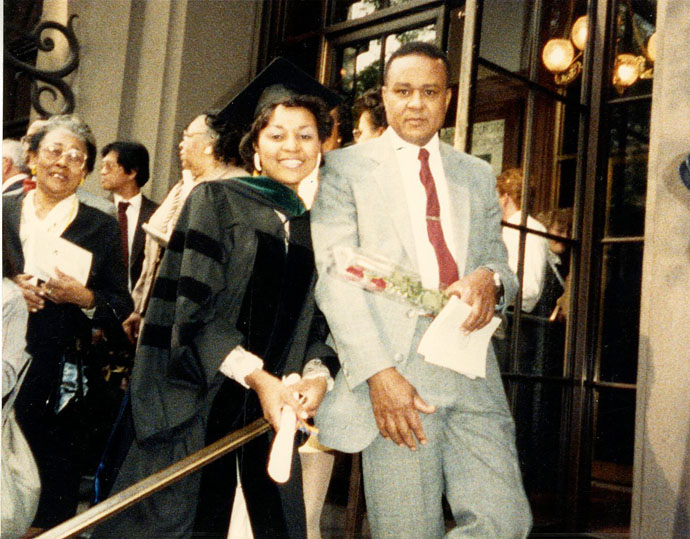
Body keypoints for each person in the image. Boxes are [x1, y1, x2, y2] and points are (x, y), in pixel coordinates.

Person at [92, 57, 341, 539]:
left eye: (306, 135)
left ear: (321, 145)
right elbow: (189, 311)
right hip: (200, 406)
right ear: (255, 147)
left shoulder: (316, 227)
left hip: (269, 417)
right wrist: (258, 377)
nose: (292, 146)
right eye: (277, 134)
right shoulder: (216, 202)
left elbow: (319, 323)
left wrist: (317, 375)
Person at [311, 42, 532, 537]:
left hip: (471, 365)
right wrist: (378, 374)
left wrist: (489, 279)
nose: (416, 103)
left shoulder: (475, 174)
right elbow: (335, 281)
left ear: (447, 99)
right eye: (404, 91)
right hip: (397, 374)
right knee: (408, 529)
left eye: (429, 92)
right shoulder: (344, 170)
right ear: (385, 97)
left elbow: (500, 264)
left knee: (506, 521)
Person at [2, 115, 132, 530]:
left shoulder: (101, 227)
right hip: (2, 364)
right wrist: (7, 289)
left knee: (51, 491)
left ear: (86, 172)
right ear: (34, 157)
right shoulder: (3, 212)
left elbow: (120, 305)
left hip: (61, 379)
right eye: (54, 151)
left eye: (77, 157)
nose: (63, 162)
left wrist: (86, 298)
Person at [121, 111, 247, 344]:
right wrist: (139, 308)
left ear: (211, 144)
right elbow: (154, 256)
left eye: (188, 136)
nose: (181, 144)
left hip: (193, 322)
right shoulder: (184, 185)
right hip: (157, 313)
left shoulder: (234, 188)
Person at [100, 141, 158, 291]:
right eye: (102, 166)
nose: (103, 172)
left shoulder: (158, 214)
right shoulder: (97, 211)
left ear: (132, 172)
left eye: (109, 166)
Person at [496, 168, 550, 313]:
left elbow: (529, 288)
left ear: (505, 198)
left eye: (496, 196)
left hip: (514, 316)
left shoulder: (523, 228)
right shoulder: (513, 228)